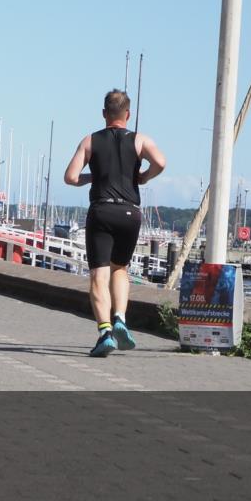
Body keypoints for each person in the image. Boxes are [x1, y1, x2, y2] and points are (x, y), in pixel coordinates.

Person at [63, 89, 166, 358]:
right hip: (131, 213)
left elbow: (71, 177)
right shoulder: (140, 140)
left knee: (99, 274)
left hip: (102, 211)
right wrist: (144, 177)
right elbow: (161, 162)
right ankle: (120, 317)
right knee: (120, 268)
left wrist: (92, 178)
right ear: (128, 115)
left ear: (104, 114)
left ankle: (105, 332)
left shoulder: (90, 141)